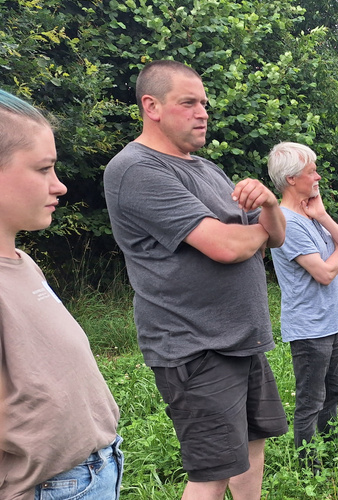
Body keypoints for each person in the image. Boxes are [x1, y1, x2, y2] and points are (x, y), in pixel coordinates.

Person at [104, 61, 289, 499]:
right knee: (211, 474)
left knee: (252, 445)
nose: (203, 112)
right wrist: (258, 231)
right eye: (188, 102)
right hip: (195, 345)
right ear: (151, 106)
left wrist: (269, 206)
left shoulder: (206, 169)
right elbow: (225, 245)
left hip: (241, 339)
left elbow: (275, 239)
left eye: (204, 103)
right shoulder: (136, 169)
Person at [0, 89, 122, 500]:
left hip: (92, 469)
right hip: (49, 487)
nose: (60, 186)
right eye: (43, 169)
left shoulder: (23, 262)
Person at [267, 142, 338, 458]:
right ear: (292, 179)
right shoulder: (286, 222)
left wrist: (323, 216)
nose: (318, 176)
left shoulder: (310, 214)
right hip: (309, 329)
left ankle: (331, 453)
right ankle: (309, 469)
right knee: (310, 400)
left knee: (332, 391)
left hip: (329, 324)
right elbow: (324, 273)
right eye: (312, 171)